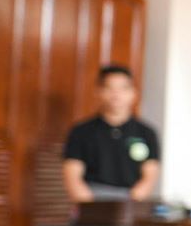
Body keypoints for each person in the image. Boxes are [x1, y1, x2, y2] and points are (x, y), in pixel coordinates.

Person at [63, 65, 161, 202]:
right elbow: (72, 177)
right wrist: (90, 206)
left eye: (123, 88)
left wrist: (129, 205)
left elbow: (149, 176)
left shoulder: (147, 133)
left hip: (131, 202)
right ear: (98, 92)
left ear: (134, 93)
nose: (116, 95)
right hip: (92, 198)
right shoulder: (81, 132)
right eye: (109, 88)